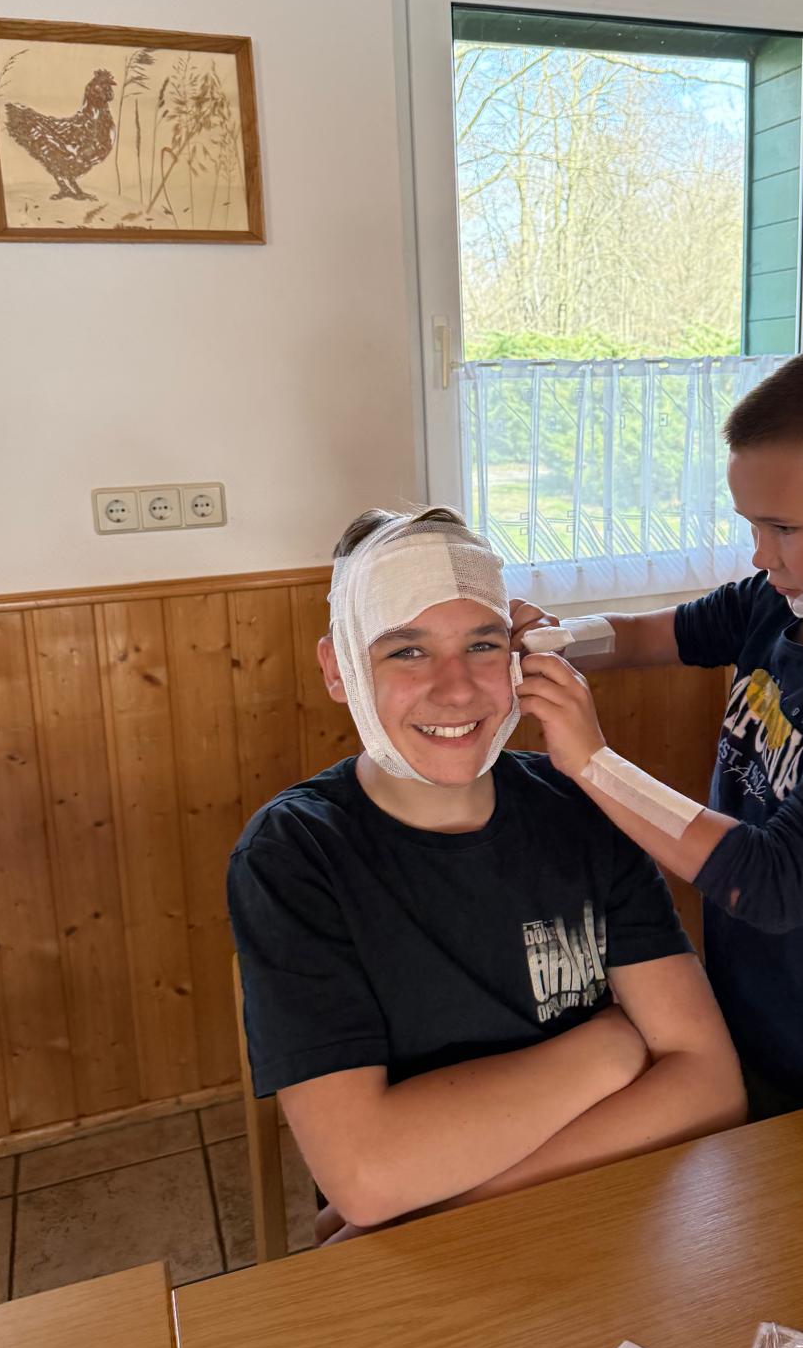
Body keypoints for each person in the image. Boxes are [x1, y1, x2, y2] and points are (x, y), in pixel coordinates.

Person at [228, 507, 745, 1241]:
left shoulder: (580, 807)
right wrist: (611, 1050)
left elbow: (711, 1086)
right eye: (407, 651)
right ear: (339, 669)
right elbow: (368, 1174)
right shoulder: (297, 853)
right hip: (448, 1264)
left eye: (482, 645)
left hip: (589, 1219)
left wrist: (438, 1205)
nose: (458, 689)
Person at [512, 346, 803, 1118]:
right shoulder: (785, 600)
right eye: (752, 526)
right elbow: (654, 635)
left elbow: (774, 881)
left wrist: (595, 764)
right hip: (746, 1004)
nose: (761, 555)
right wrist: (553, 640)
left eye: (783, 527)